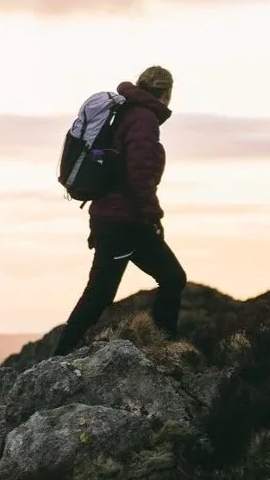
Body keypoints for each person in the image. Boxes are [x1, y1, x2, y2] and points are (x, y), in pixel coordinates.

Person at [54, 65, 186, 356]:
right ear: (166, 93)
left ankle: (163, 345)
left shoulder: (127, 112)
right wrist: (154, 216)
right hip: (124, 221)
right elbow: (139, 174)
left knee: (170, 277)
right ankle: (61, 354)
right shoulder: (143, 120)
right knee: (101, 293)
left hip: (118, 218)